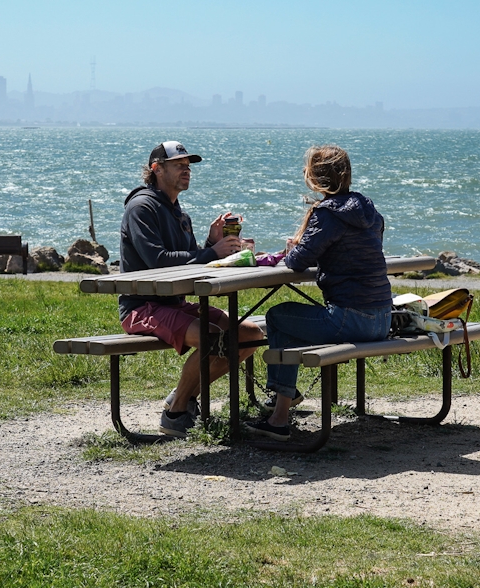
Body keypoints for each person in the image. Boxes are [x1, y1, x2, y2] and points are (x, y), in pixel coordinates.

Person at [119, 140, 266, 437]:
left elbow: (191, 262)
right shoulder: (141, 207)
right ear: (156, 170)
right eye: (179, 166)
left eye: (188, 167)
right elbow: (157, 261)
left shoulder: (179, 213)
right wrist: (212, 253)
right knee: (214, 338)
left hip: (173, 304)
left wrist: (213, 245)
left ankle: (182, 398)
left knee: (250, 336)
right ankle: (175, 414)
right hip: (142, 307)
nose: (186, 171)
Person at [248, 144, 392, 440]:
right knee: (290, 324)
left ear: (316, 178)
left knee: (277, 317)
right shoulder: (368, 209)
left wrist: (294, 248)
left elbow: (298, 261)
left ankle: (280, 407)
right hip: (382, 318)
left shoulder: (328, 213)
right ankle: (280, 411)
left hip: (350, 318)